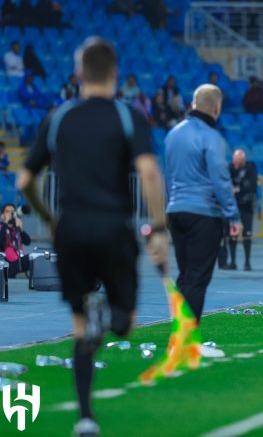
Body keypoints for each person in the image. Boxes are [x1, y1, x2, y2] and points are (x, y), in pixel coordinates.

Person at [16, 36, 168, 437]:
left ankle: (85, 418)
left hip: (71, 231)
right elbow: (150, 173)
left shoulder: (60, 116)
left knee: (81, 327)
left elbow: (25, 179)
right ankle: (110, 320)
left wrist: (50, 217)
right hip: (113, 228)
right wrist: (158, 228)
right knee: (124, 325)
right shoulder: (127, 116)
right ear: (115, 74)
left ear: (79, 74)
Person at [165, 84, 242, 324]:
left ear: (192, 104)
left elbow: (168, 175)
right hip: (203, 214)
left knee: (185, 277)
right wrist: (233, 216)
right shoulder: (212, 137)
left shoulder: (173, 134)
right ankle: (187, 342)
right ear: (217, 109)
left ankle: (179, 334)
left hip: (175, 210)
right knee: (197, 280)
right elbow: (220, 179)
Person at [227, 149, 257, 270]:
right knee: (233, 233)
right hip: (234, 206)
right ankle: (233, 261)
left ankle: (247, 262)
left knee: (247, 234)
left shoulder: (250, 168)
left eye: (238, 160)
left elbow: (251, 185)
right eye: (235, 160)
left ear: (243, 159)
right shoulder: (230, 168)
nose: (236, 163)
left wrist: (238, 188)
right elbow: (226, 183)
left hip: (246, 206)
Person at [0, 203, 31, 278]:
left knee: (33, 258)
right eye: (7, 211)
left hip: (18, 261)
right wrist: (5, 224)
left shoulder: (16, 228)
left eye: (12, 211)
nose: (10, 214)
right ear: (2, 215)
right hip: (6, 262)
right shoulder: (1, 227)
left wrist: (21, 230)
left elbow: (28, 242)